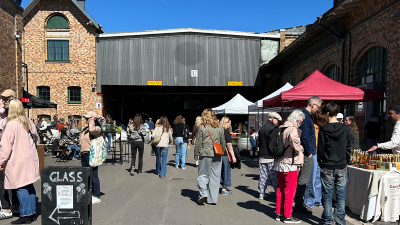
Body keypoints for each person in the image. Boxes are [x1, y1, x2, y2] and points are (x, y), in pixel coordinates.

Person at [0, 99, 40, 223]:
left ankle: (26, 214)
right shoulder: (28, 122)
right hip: (30, 158)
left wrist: (1, 162)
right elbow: (35, 137)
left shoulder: (11, 124)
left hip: (17, 160)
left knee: (20, 186)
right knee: (29, 185)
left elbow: (5, 146)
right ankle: (32, 212)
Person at [318, 103, 351, 225]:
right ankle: (340, 220)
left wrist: (320, 162)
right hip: (342, 165)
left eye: (324, 114)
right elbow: (348, 147)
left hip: (327, 165)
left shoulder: (323, 128)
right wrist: (346, 160)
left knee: (327, 195)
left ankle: (327, 220)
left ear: (327, 113)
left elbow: (320, 148)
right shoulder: (346, 128)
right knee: (341, 194)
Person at [274, 110, 305, 223]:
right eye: (301, 121)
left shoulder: (281, 127)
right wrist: (300, 148)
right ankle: (287, 215)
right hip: (290, 163)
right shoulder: (292, 129)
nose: (301, 124)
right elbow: (294, 141)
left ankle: (279, 213)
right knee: (290, 190)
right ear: (297, 120)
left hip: (279, 162)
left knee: (280, 189)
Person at [294, 95, 322, 215]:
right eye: (318, 107)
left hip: (309, 152)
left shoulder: (306, 116)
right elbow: (305, 136)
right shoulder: (306, 116)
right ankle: (299, 205)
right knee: (304, 180)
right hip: (308, 153)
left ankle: (300, 203)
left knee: (305, 179)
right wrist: (309, 152)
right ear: (313, 104)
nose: (318, 110)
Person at [195, 109, 226, 205]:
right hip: (217, 154)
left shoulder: (202, 128)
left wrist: (196, 154)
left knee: (202, 175)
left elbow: (198, 143)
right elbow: (222, 142)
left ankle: (203, 193)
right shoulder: (220, 127)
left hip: (205, 154)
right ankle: (212, 199)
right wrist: (222, 151)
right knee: (215, 177)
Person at [0, 90, 20, 214]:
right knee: (4, 179)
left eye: (7, 99)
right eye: (3, 99)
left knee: (11, 178)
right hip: (4, 147)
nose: (5, 102)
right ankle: (8, 206)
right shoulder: (3, 114)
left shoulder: (15, 115)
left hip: (11, 149)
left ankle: (9, 207)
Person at [257, 112, 281, 200]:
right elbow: (275, 143)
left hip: (262, 155)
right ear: (273, 118)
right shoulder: (273, 129)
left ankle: (261, 193)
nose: (277, 122)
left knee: (263, 175)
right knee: (273, 176)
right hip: (270, 156)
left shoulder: (262, 128)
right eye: (277, 120)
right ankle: (277, 193)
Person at [304, 108, 325, 208]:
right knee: (312, 178)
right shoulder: (314, 126)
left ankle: (317, 199)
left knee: (317, 177)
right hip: (313, 152)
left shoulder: (320, 127)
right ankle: (309, 200)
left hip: (318, 153)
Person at [80, 111, 102, 204]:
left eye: (88, 118)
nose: (86, 120)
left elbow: (92, 131)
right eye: (86, 118)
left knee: (93, 175)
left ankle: (96, 195)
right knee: (85, 175)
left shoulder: (97, 128)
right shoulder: (86, 128)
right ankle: (88, 193)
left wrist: (92, 120)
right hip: (84, 153)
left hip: (91, 154)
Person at [219, 117, 237, 195]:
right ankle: (224, 188)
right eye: (229, 123)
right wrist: (233, 156)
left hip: (217, 153)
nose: (230, 124)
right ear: (226, 123)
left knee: (219, 171)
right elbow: (229, 145)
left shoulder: (218, 131)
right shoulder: (226, 132)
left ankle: (216, 187)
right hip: (225, 154)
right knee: (226, 171)